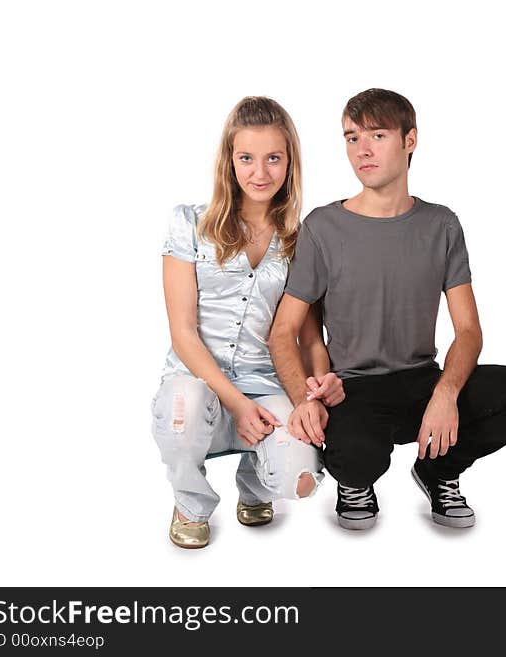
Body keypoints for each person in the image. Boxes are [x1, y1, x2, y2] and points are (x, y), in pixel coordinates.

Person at [271, 88, 506, 530]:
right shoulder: (323, 227)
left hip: (423, 383)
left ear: (410, 140)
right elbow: (284, 331)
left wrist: (445, 393)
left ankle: (438, 470)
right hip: (353, 389)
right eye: (350, 138)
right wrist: (302, 399)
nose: (361, 150)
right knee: (354, 458)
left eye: (377, 135)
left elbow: (468, 331)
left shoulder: (441, 225)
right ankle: (356, 481)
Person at [152, 96, 343, 549]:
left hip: (268, 381)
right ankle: (191, 503)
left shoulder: (303, 241)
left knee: (299, 481)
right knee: (184, 413)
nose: (260, 173)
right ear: (229, 161)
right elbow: (182, 332)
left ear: (289, 162)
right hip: (196, 377)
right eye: (247, 158)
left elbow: (309, 334)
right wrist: (237, 404)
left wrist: (317, 388)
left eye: (273, 158)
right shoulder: (189, 223)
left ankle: (255, 483)